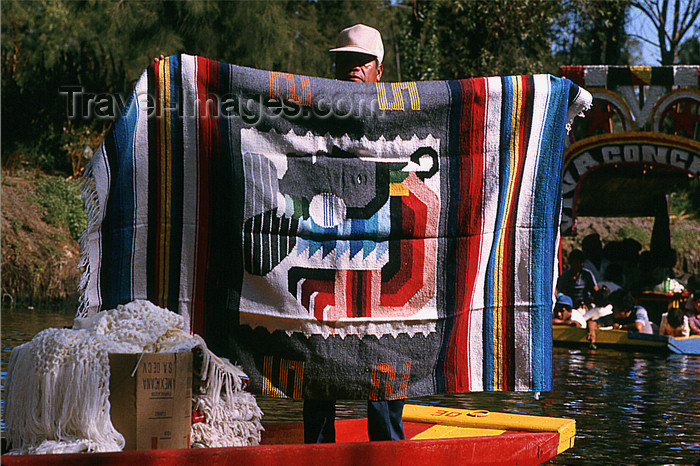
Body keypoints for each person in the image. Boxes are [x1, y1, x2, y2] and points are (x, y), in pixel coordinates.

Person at [303, 24, 403, 444]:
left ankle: (386, 452)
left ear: (379, 70)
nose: (353, 69)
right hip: (321, 253)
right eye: (345, 61)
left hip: (381, 257)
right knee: (317, 361)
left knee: (385, 362)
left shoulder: (403, 115)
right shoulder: (310, 112)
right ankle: (318, 453)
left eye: (362, 62)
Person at [586, 290, 653, 344]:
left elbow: (638, 327)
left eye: (614, 307)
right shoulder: (615, 317)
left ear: (624, 309)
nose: (612, 310)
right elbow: (593, 322)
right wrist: (591, 331)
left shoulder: (639, 310)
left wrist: (620, 328)